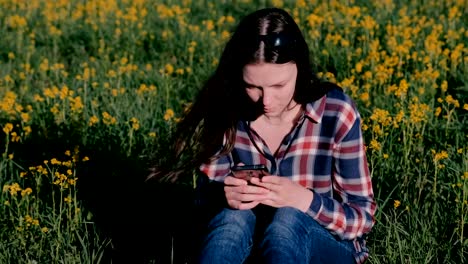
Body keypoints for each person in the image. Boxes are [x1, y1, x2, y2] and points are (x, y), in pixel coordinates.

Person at [150, 7, 376, 264]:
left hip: (323, 246)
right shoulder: (228, 112)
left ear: (299, 69)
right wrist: (222, 196)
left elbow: (362, 218)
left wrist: (305, 200)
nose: (266, 101)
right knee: (231, 218)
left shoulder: (336, 113)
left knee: (287, 220)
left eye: (279, 85)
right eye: (252, 86)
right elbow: (202, 204)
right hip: (250, 245)